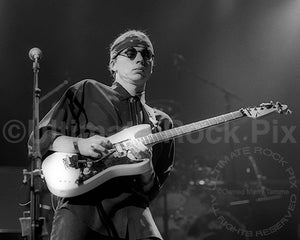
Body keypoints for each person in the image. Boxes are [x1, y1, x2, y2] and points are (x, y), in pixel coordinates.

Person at [28, 29, 175, 240]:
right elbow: (38, 139)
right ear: (113, 64)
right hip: (83, 207)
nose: (140, 59)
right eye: (131, 53)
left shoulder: (161, 121)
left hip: (134, 217)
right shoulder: (88, 90)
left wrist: (146, 165)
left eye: (147, 54)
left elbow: (152, 191)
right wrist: (81, 145)